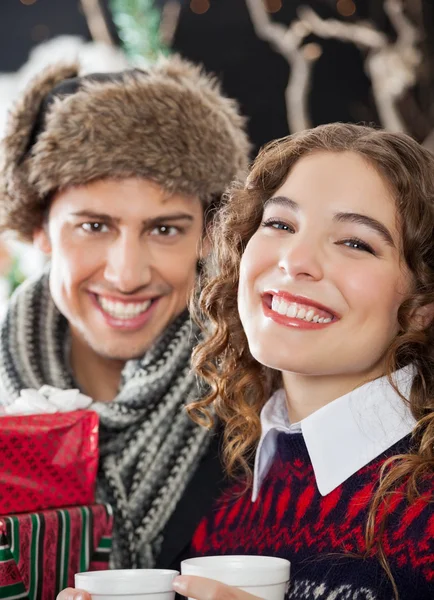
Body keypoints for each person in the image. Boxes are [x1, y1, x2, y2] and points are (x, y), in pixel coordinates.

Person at [0, 57, 250, 571]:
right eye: (94, 226)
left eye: (164, 229)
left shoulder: (256, 408)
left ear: (207, 236)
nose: (128, 274)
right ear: (39, 228)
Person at [171, 123, 434, 599]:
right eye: (280, 224)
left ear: (420, 305)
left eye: (356, 242)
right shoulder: (217, 507)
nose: (296, 260)